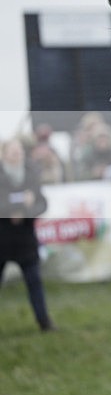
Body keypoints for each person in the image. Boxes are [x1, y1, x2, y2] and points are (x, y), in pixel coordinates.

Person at [0, 138, 54, 331]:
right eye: (13, 151)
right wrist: (19, 205)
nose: (18, 155)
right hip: (2, 239)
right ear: (4, 154)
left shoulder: (30, 174)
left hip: (26, 240)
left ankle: (44, 322)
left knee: (34, 282)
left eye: (20, 151)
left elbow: (42, 203)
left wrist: (25, 212)